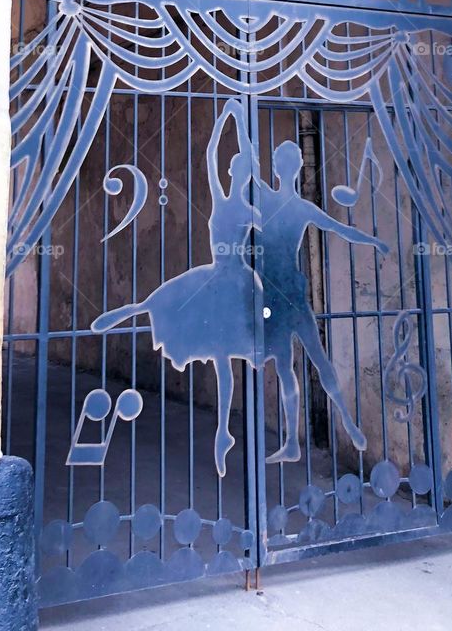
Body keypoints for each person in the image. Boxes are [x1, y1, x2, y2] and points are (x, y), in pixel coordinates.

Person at [91, 99, 260, 476]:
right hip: (224, 276)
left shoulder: (244, 204)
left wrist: (236, 112)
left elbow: (225, 158)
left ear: (243, 174)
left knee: (221, 353)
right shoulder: (238, 202)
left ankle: (223, 431)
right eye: (237, 169)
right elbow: (214, 156)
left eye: (241, 169)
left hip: (232, 278)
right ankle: (223, 432)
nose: (235, 173)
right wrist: (232, 112)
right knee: (176, 301)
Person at [256, 138, 388, 462]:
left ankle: (292, 441)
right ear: (299, 167)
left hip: (275, 292)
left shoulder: (265, 199)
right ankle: (345, 421)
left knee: (286, 364)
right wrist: (374, 240)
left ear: (275, 167)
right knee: (316, 356)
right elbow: (343, 230)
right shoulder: (301, 208)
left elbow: (245, 153)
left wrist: (234, 109)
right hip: (290, 290)